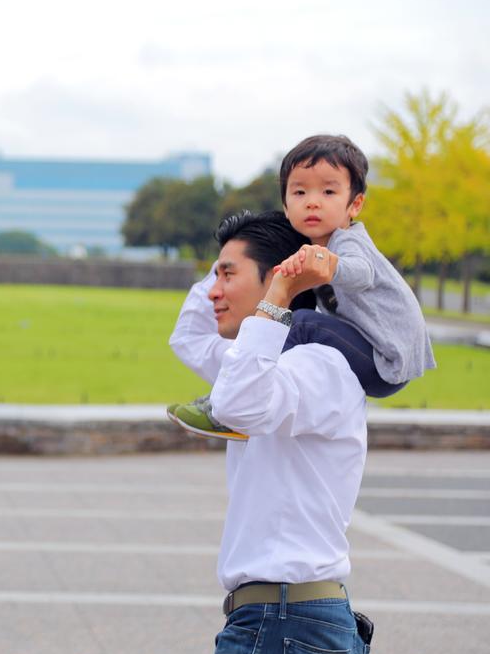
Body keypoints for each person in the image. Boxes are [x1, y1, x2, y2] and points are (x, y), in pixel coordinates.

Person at [169, 210, 372, 654]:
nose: (213, 290)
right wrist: (261, 237)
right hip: (303, 627)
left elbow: (235, 401)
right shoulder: (257, 364)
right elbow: (189, 335)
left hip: (281, 627)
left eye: (227, 275)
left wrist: (280, 286)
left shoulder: (318, 366)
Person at [168, 134, 435, 440]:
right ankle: (226, 399)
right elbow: (189, 338)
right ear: (285, 204)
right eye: (299, 192)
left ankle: (225, 409)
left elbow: (362, 273)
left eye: (328, 191)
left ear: (355, 204)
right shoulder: (312, 249)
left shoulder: (347, 240)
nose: (312, 201)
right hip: (374, 355)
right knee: (297, 325)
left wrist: (328, 263)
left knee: (301, 322)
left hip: (384, 361)